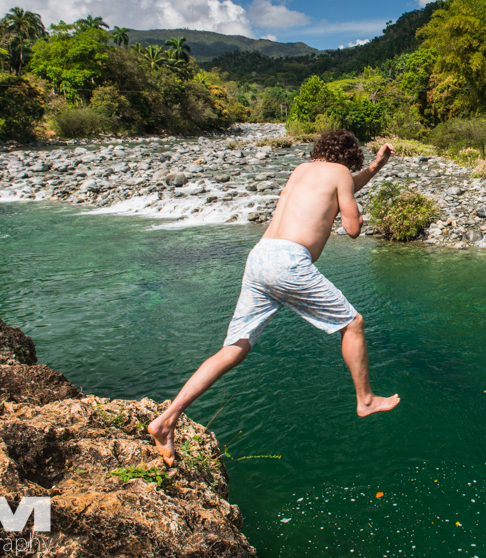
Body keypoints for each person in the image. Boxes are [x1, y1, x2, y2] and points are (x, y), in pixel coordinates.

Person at [149, 130, 400, 465]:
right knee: (353, 324)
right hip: (289, 262)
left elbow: (345, 186)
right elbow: (352, 229)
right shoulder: (340, 173)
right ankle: (365, 399)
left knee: (234, 348)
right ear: (349, 156)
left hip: (260, 256)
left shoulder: (302, 170)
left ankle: (166, 420)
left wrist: (376, 167)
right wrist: (358, 215)